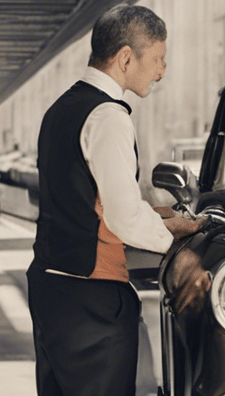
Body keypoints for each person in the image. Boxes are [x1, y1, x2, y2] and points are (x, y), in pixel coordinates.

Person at [26, 5, 208, 396]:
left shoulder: (61, 110)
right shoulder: (107, 116)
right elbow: (123, 218)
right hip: (90, 300)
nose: (162, 71)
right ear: (126, 57)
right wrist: (174, 235)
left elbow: (86, 201)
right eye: (158, 59)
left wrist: (154, 215)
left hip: (50, 290)